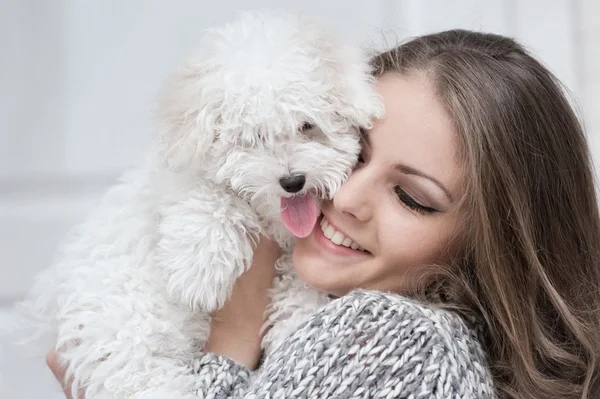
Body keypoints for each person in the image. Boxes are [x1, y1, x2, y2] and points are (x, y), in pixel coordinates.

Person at [47, 29, 600, 398]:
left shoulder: (400, 339)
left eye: (412, 198)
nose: (346, 198)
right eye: (352, 152)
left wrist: (231, 337)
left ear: (493, 242)